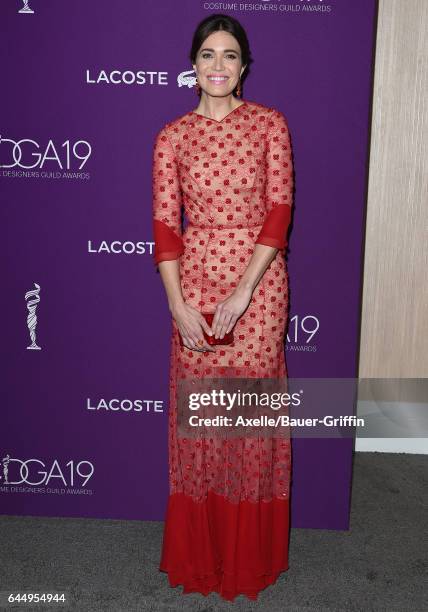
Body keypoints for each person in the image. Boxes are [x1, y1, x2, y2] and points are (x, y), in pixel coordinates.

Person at [152, 13, 294, 603]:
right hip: (195, 280)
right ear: (192, 65)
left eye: (229, 55)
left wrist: (244, 292)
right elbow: (164, 227)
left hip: (257, 282)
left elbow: (279, 212)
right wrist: (178, 304)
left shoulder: (269, 125)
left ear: (244, 66)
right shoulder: (171, 136)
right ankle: (203, 555)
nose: (218, 66)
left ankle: (246, 558)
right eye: (207, 55)